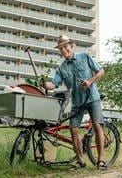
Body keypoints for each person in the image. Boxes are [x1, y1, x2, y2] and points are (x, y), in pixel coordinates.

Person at [43, 35, 107, 170]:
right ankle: (81, 161)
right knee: (73, 129)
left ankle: (101, 160)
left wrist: (90, 81)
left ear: (71, 46)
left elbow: (101, 71)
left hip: (92, 98)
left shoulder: (85, 57)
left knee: (96, 125)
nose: (64, 49)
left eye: (66, 46)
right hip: (77, 102)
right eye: (61, 48)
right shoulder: (61, 68)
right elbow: (54, 85)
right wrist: (45, 84)